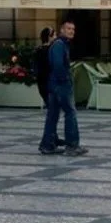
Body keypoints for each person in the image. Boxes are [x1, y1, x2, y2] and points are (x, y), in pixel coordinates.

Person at [39, 21, 87, 157]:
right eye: (68, 28)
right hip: (61, 84)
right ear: (62, 30)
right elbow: (58, 64)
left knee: (53, 115)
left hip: (53, 84)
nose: (71, 31)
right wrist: (65, 80)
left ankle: (47, 145)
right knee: (70, 113)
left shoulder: (60, 44)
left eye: (73, 29)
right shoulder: (60, 45)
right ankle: (72, 146)